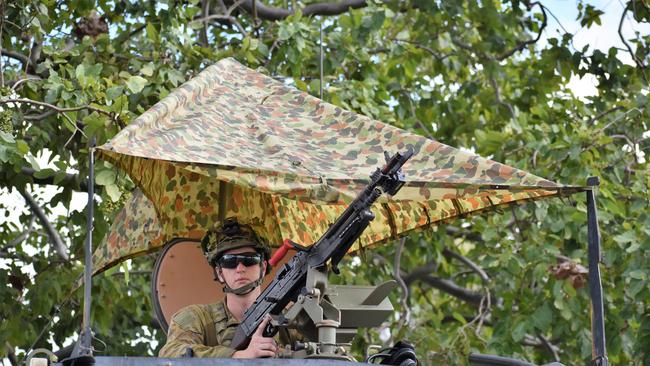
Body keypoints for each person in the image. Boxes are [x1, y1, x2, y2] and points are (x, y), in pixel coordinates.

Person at [159, 217, 291, 358]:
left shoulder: (289, 318)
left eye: (249, 259)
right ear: (220, 273)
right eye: (230, 262)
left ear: (263, 267)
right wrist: (240, 356)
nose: (240, 268)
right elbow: (171, 354)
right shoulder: (196, 318)